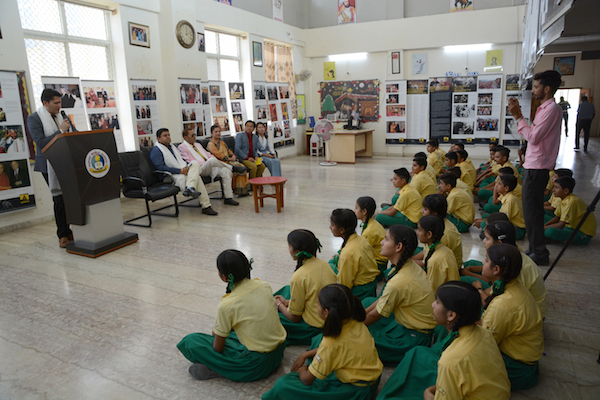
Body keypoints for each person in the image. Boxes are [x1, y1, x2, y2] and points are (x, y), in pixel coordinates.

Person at [377, 281, 510, 400]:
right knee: (419, 353)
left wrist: (428, 395)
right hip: (496, 392)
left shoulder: (450, 361)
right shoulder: (483, 332)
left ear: (451, 315)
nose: (432, 304)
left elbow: (455, 369)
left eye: (438, 302)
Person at [177, 249, 287, 381]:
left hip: (256, 365)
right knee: (234, 330)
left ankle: (221, 370)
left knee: (191, 341)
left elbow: (217, 348)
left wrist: (218, 333)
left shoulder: (227, 304)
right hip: (279, 353)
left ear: (224, 277)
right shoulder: (264, 285)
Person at [262, 284, 383, 400]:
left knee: (283, 385)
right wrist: (306, 354)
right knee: (318, 340)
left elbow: (306, 380)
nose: (316, 307)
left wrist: (301, 370)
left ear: (326, 312)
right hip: (373, 378)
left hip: (355, 391)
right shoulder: (355, 321)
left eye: (317, 304)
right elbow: (336, 349)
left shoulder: (331, 342)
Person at [508, 70, 562, 266]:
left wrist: (518, 116)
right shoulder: (544, 109)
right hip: (533, 165)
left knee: (533, 211)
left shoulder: (551, 110)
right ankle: (534, 248)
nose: (534, 91)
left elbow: (533, 137)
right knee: (531, 210)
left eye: (537, 87)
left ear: (547, 89)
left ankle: (539, 252)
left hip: (538, 167)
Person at [362, 225, 437, 365]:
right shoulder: (408, 265)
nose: (381, 243)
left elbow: (376, 314)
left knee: (359, 340)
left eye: (386, 239)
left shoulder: (398, 282)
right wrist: (359, 317)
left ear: (398, 247)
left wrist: (352, 327)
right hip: (404, 321)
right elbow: (381, 299)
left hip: (414, 336)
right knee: (367, 303)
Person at [475, 244, 544, 390]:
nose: (482, 262)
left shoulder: (503, 305)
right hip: (522, 358)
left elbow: (484, 343)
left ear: (496, 269)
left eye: (486, 260)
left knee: (463, 365)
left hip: (517, 368)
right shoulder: (510, 284)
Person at [461, 220, 548, 320]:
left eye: (487, 239)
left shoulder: (518, 269)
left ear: (499, 243)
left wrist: (479, 290)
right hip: (513, 301)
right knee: (471, 266)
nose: (484, 241)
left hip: (529, 315)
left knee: (469, 305)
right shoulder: (511, 253)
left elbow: (493, 299)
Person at [27, 88, 74, 248]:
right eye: (56, 103)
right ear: (45, 103)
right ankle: (62, 234)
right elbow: (40, 143)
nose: (59, 106)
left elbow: (73, 132)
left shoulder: (62, 115)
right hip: (48, 164)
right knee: (59, 199)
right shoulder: (34, 118)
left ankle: (70, 229)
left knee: (69, 198)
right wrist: (61, 131)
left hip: (65, 161)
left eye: (60, 102)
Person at [273, 229, 337, 345]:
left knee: (271, 317)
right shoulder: (325, 265)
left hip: (312, 328)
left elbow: (295, 318)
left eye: (289, 246)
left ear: (297, 251)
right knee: (288, 290)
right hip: (329, 319)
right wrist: (287, 302)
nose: (288, 250)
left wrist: (279, 304)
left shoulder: (299, 276)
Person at [150, 128, 218, 215]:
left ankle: (190, 188)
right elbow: (160, 167)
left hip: (181, 171)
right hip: (169, 176)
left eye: (169, 135)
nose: (168, 137)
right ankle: (206, 206)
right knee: (197, 177)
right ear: (158, 138)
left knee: (194, 163)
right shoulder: (156, 151)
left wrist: (186, 167)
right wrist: (179, 171)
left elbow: (181, 161)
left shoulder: (172, 147)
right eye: (165, 135)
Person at [178, 126, 243, 206]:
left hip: (209, 166)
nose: (194, 137)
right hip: (199, 169)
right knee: (212, 161)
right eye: (192, 135)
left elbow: (208, 154)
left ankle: (228, 198)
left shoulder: (197, 144)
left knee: (225, 171)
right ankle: (232, 167)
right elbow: (189, 161)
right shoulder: (182, 147)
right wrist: (206, 161)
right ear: (185, 137)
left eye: (195, 134)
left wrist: (210, 160)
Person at [328, 209, 379, 300]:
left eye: (332, 225)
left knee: (329, 267)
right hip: (371, 284)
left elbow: (344, 285)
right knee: (334, 261)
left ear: (342, 230)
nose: (330, 227)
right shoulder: (360, 239)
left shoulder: (348, 254)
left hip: (360, 291)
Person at [414, 194, 463, 268]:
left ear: (434, 214)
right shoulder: (436, 224)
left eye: (425, 209)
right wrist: (412, 259)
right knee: (409, 248)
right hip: (432, 255)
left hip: (443, 267)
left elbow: (430, 262)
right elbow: (426, 250)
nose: (421, 211)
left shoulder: (445, 234)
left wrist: (408, 262)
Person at [544, 176, 596, 244]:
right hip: (568, 227)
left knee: (550, 231)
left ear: (566, 191)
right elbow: (557, 218)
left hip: (581, 234)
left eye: (556, 187)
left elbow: (560, 225)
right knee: (541, 216)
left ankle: (551, 236)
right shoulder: (562, 198)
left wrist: (542, 229)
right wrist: (544, 227)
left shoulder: (572, 202)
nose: (553, 190)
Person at [417, 215, 459, 292]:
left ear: (429, 234)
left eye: (419, 230)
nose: (417, 233)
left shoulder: (434, 261)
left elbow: (432, 291)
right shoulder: (443, 249)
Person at [206, 124, 251, 196]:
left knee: (241, 166)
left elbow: (229, 151)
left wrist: (233, 155)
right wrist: (229, 158)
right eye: (216, 131)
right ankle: (235, 189)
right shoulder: (211, 144)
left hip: (228, 161)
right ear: (211, 133)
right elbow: (218, 154)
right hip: (219, 164)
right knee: (237, 168)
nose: (218, 133)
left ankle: (242, 191)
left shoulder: (222, 142)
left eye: (219, 131)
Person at [354, 196, 388, 276]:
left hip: (378, 265)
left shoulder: (369, 231)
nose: (354, 210)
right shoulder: (371, 223)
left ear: (364, 211)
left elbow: (361, 252)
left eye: (356, 208)